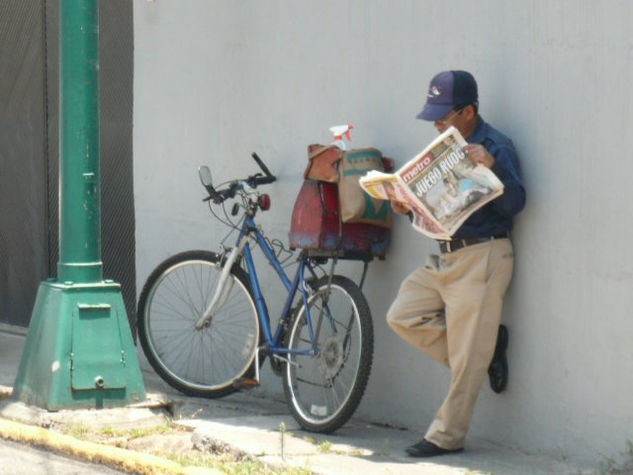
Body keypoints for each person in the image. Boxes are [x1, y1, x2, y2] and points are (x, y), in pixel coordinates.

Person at [386, 70, 526, 457]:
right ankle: (486, 351)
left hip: (483, 255)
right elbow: (435, 208)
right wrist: (404, 207)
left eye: (443, 115)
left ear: (468, 111)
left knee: (466, 363)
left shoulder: (496, 144)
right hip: (446, 256)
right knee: (403, 314)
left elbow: (516, 204)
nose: (436, 122)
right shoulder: (445, 149)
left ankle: (446, 437)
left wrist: (492, 165)